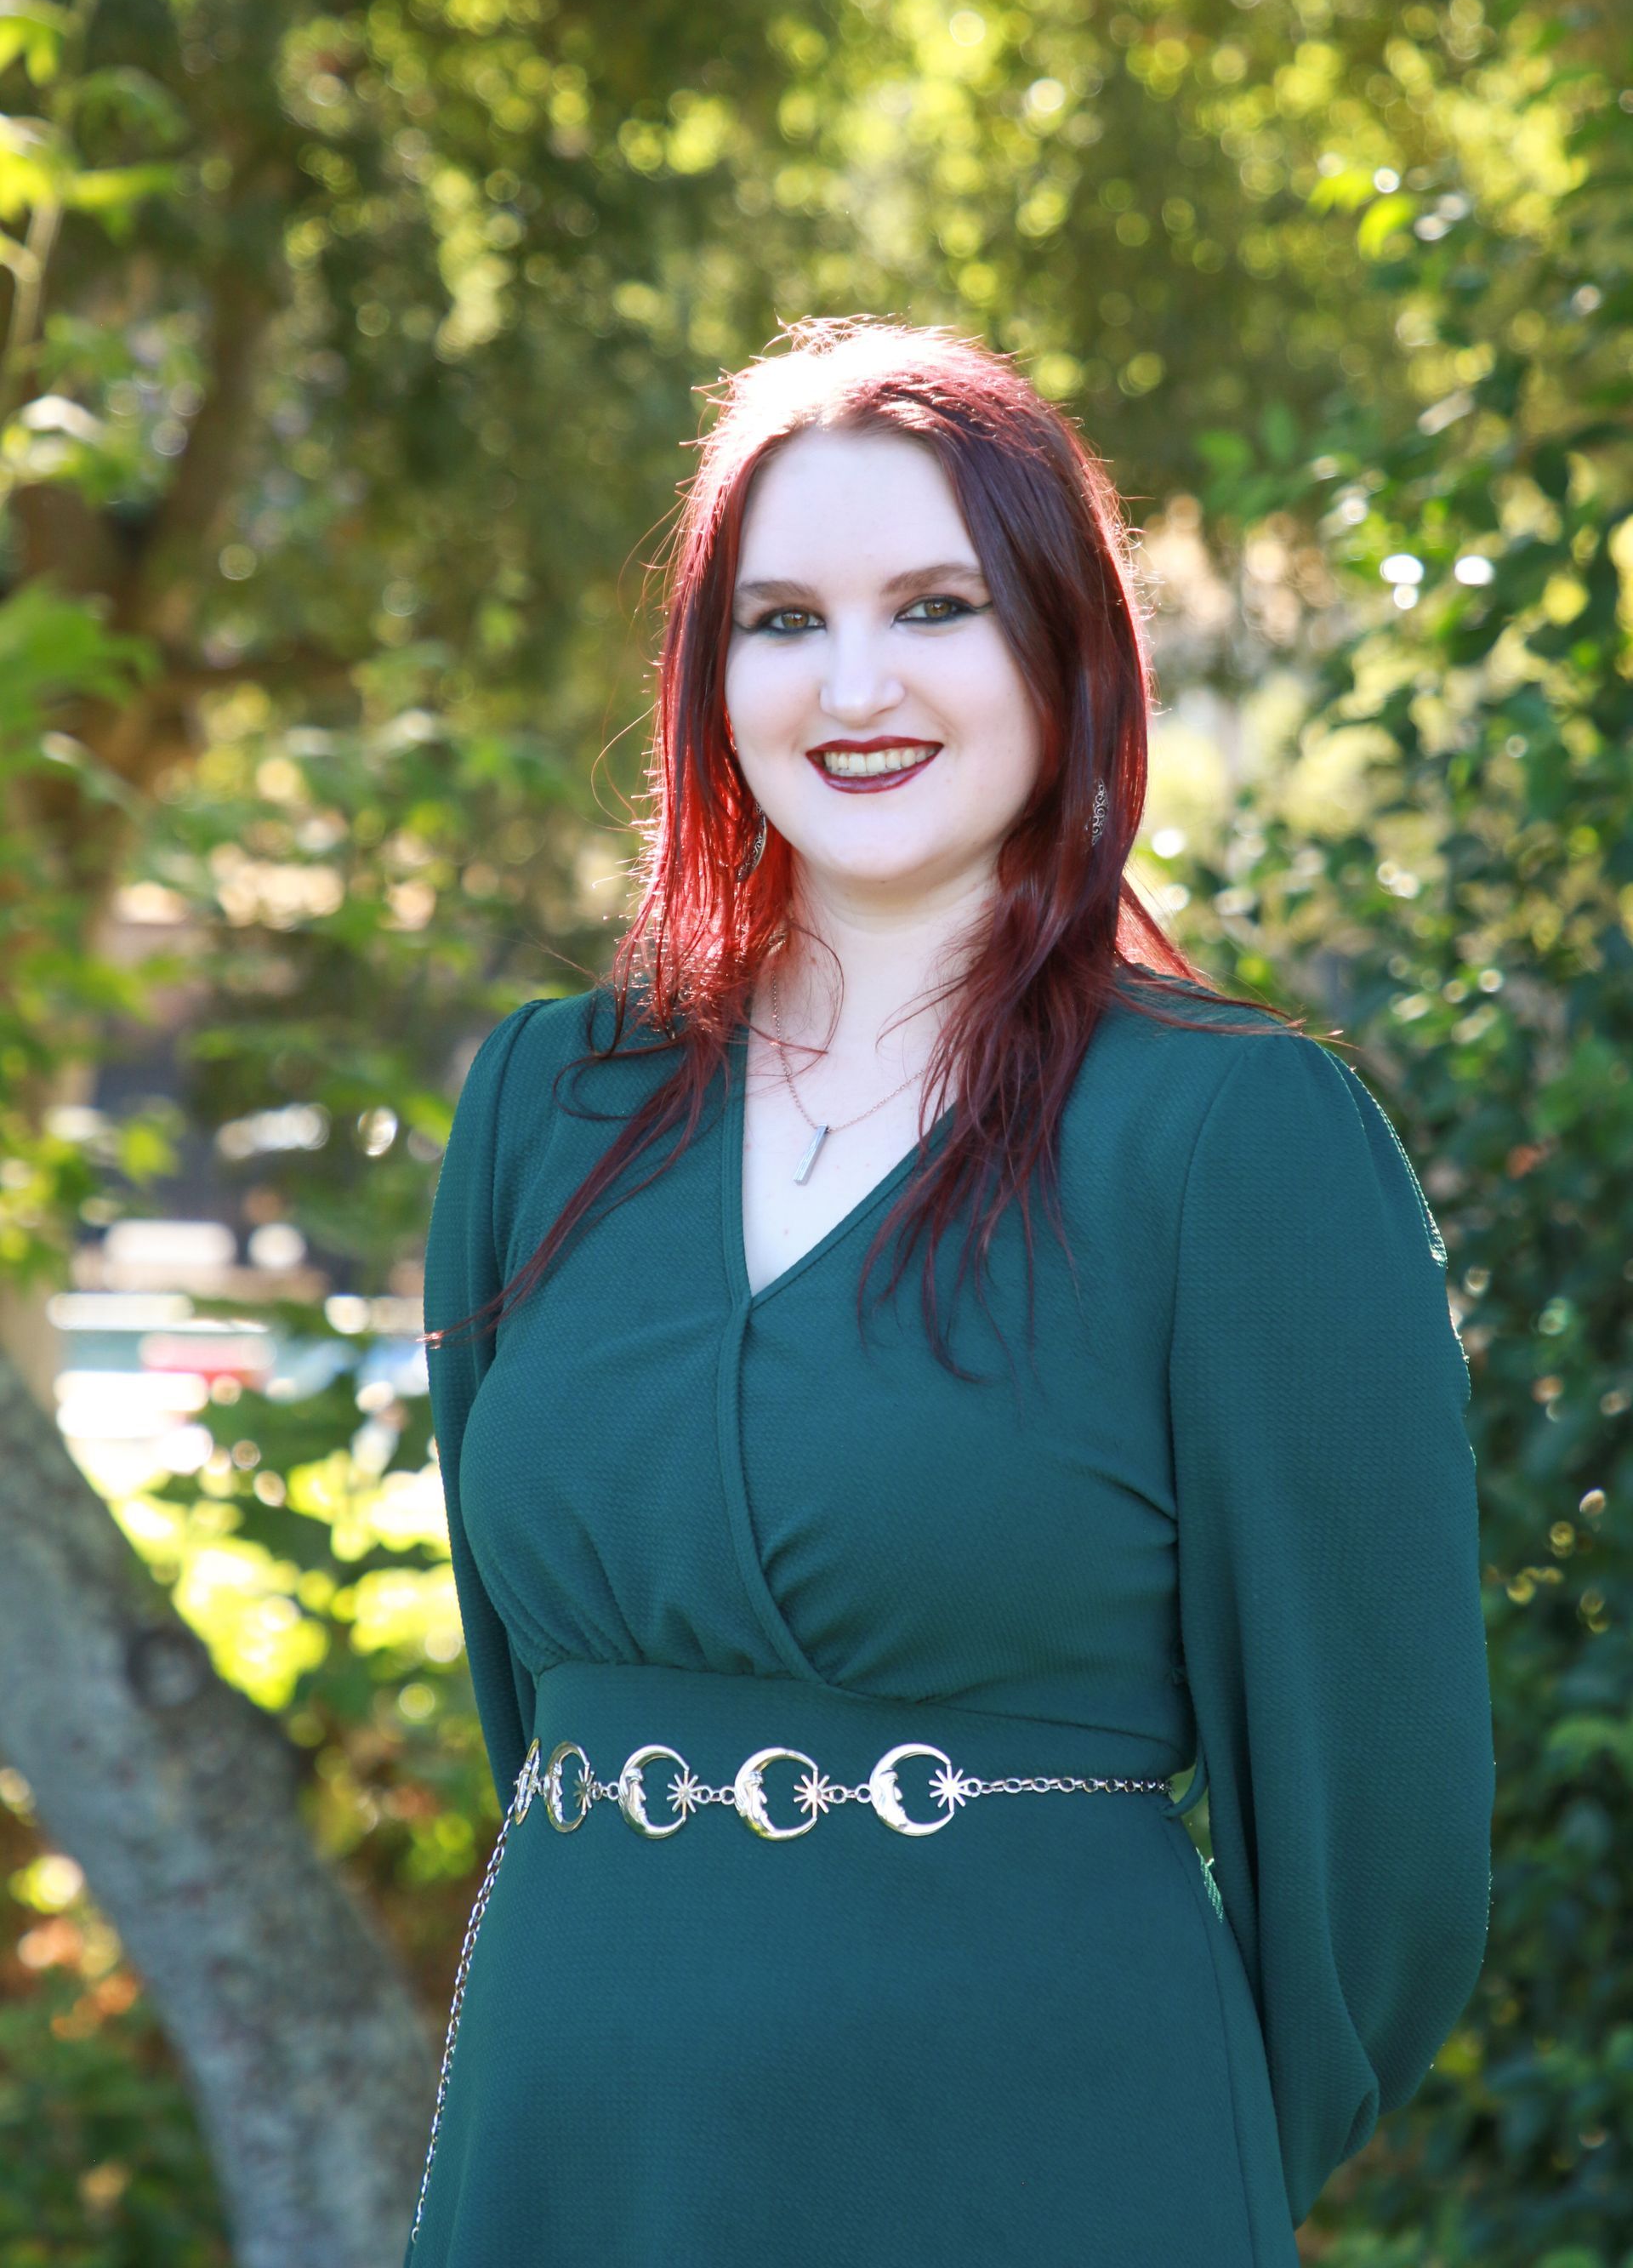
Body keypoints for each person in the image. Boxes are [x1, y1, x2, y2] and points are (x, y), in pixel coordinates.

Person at [405, 316, 1494, 2266]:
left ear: (1064, 647)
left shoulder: (1238, 1143)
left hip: (1047, 2161)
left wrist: (1158, 2162)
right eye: (782, 621)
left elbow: (1379, 1860)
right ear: (705, 679)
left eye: (936, 606)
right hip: (571, 2154)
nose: (857, 684)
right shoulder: (542, 1107)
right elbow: (526, 1698)